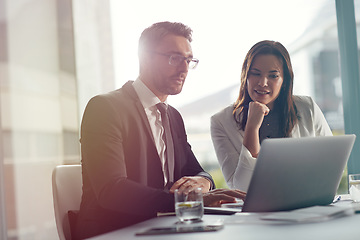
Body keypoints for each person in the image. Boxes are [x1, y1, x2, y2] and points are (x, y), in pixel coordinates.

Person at [75, 21, 245, 239]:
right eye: (174, 58)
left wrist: (204, 182)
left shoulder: (173, 116)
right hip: (115, 230)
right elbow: (112, 190)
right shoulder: (105, 108)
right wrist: (189, 200)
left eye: (188, 60)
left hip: (167, 227)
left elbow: (197, 170)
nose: (184, 68)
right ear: (145, 57)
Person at [210, 40, 332, 192]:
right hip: (255, 213)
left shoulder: (307, 107)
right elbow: (242, 188)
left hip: (306, 202)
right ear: (245, 76)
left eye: (273, 76)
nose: (263, 83)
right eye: (255, 74)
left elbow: (331, 164)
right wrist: (252, 129)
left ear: (284, 81)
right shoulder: (220, 122)